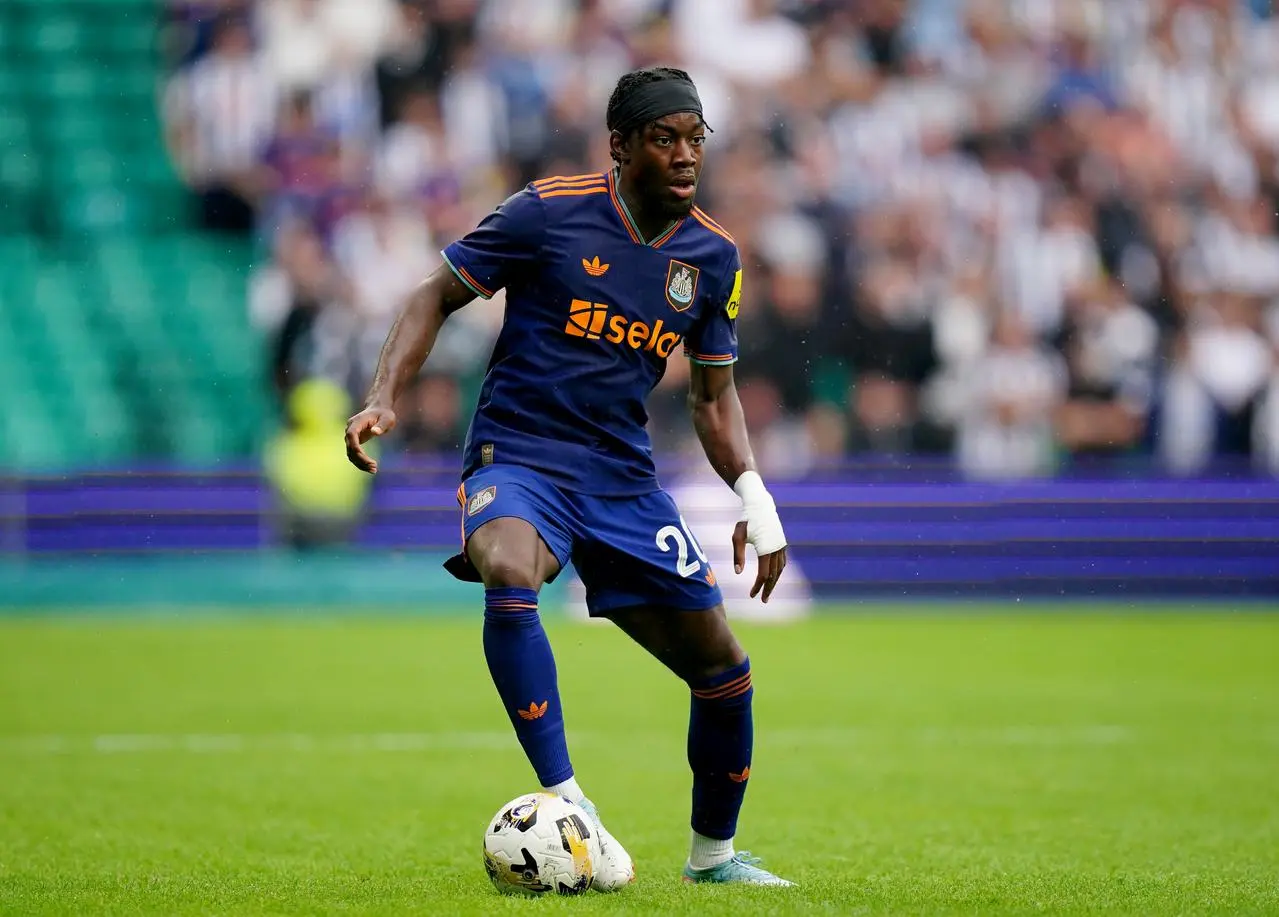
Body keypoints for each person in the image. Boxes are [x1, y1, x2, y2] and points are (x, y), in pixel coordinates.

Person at [344, 67, 793, 889]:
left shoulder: (711, 256)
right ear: (620, 147)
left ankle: (714, 858)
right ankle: (567, 800)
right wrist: (383, 397)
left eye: (697, 139)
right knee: (510, 571)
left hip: (621, 480)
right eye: (666, 138)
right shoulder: (548, 212)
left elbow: (711, 394)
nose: (686, 155)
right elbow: (431, 295)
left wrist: (753, 495)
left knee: (724, 671)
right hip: (518, 454)